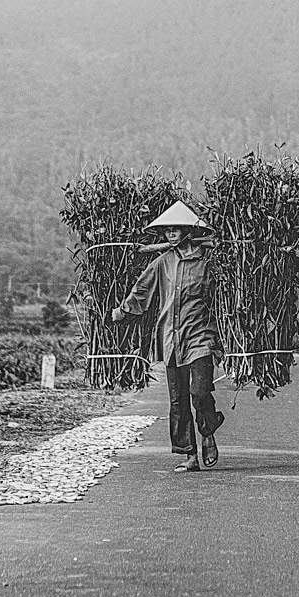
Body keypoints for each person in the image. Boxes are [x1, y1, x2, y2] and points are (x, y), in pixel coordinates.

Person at [112, 200, 225, 471]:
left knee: (199, 392)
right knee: (178, 400)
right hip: (171, 338)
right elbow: (143, 292)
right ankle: (190, 454)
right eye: (167, 230)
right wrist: (122, 311)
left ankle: (208, 430)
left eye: (176, 229)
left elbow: (223, 300)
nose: (170, 234)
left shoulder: (207, 263)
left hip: (201, 337)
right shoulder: (162, 263)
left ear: (188, 231)